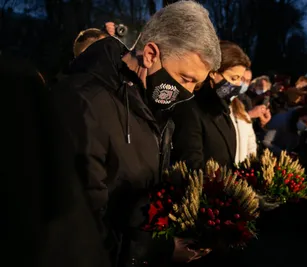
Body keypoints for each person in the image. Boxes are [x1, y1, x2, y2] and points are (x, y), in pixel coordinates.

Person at [48, 1, 221, 267]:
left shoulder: (154, 105)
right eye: (185, 79)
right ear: (151, 54)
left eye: (196, 84)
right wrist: (155, 251)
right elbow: (80, 220)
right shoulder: (83, 103)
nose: (188, 92)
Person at [172, 40, 251, 170]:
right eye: (233, 78)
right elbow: (190, 162)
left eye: (240, 79)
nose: (237, 85)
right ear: (214, 73)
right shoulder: (191, 108)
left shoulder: (224, 109)